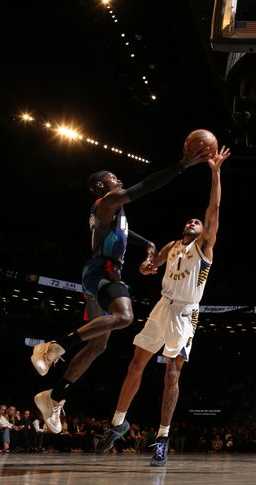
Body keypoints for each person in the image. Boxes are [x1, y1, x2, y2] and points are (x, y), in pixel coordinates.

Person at [30, 141, 213, 434]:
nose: (120, 181)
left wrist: (149, 244)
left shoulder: (113, 213)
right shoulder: (109, 201)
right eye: (114, 179)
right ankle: (54, 346)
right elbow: (148, 186)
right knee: (125, 317)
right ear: (102, 185)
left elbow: (126, 233)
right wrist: (183, 165)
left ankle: (54, 397)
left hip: (95, 275)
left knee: (100, 343)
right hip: (104, 270)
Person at [96, 146, 230, 466]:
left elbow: (213, 207)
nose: (194, 221)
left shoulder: (205, 247)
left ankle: (162, 439)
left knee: (172, 373)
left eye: (198, 222)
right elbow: (149, 266)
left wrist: (215, 171)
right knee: (135, 364)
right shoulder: (171, 246)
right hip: (161, 305)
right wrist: (147, 266)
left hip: (186, 313)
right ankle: (117, 424)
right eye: (190, 219)